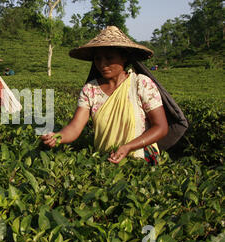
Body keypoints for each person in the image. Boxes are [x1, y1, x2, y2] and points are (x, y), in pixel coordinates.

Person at [41, 26, 171, 165]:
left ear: (124, 57)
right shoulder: (91, 89)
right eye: (98, 59)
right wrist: (58, 136)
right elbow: (75, 127)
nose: (102, 64)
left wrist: (129, 147)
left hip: (140, 161)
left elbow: (161, 127)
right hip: (105, 161)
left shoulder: (141, 84)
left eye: (109, 58)